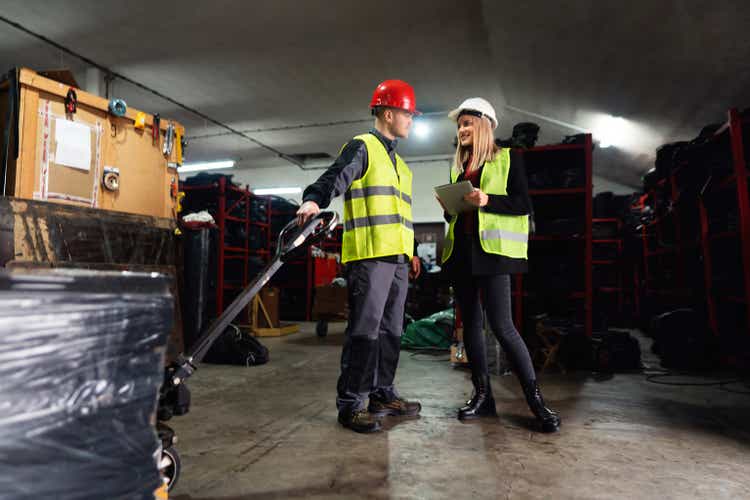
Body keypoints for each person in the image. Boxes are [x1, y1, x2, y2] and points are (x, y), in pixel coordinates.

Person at [296, 80, 422, 433]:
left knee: (393, 331)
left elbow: (400, 215)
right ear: (387, 112)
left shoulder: (403, 165)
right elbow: (336, 176)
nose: (411, 119)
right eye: (407, 113)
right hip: (369, 257)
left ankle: (382, 393)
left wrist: (410, 253)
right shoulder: (363, 146)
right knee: (365, 332)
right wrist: (314, 199)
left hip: (397, 260)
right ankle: (352, 404)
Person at [439, 97, 560, 433]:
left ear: (484, 126)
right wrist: (448, 206)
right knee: (471, 327)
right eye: (459, 125)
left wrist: (487, 199)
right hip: (462, 255)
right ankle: (482, 397)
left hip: (492, 253)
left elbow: (522, 205)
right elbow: (454, 216)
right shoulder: (457, 168)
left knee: (503, 326)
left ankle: (537, 402)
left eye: (467, 123)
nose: (462, 130)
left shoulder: (508, 159)